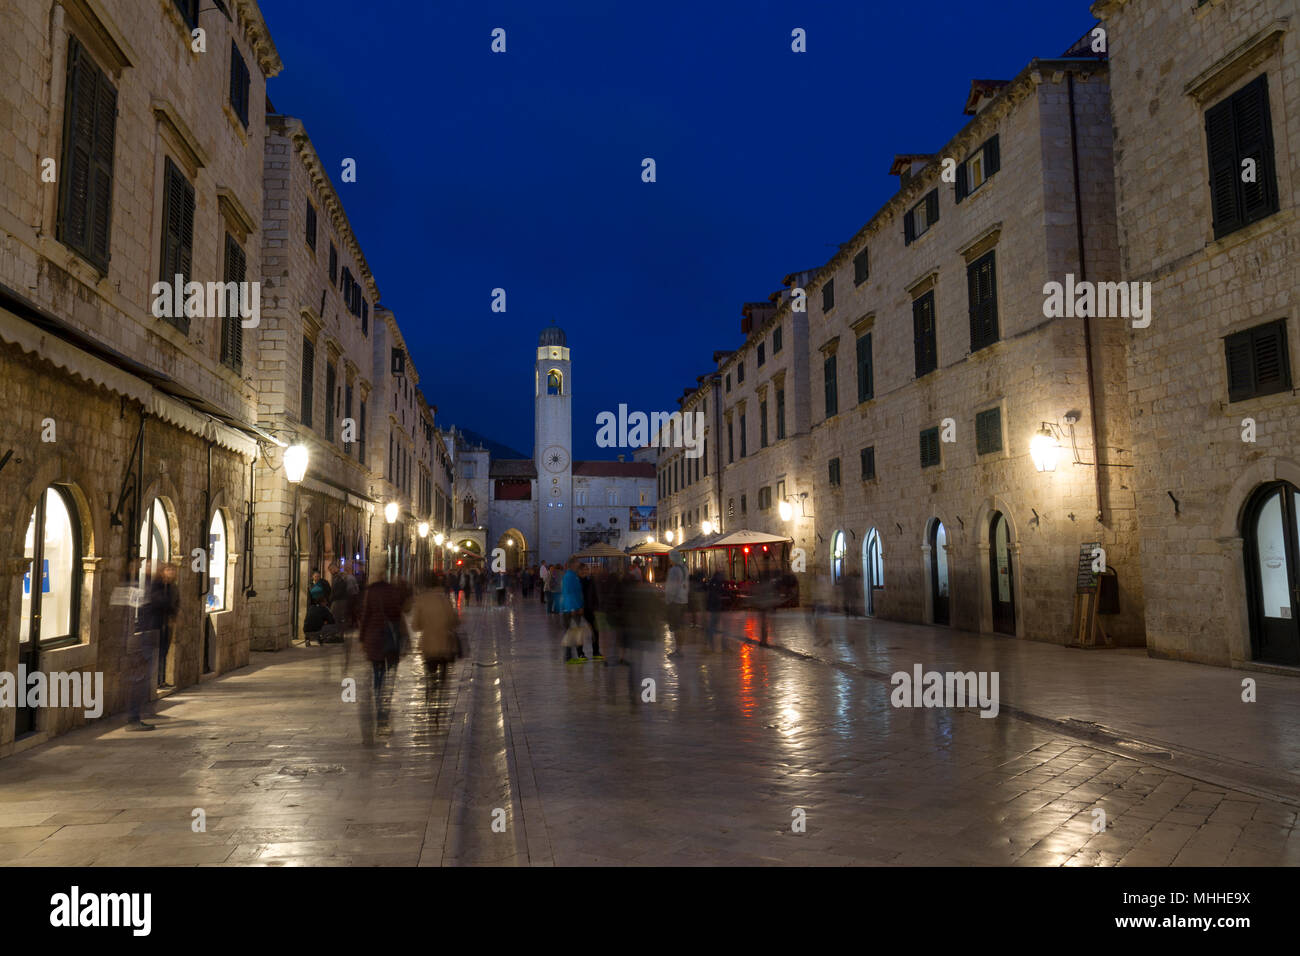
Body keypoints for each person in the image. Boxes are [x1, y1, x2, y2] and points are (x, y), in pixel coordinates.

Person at [357, 557, 409, 736]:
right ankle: (383, 714)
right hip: (390, 641)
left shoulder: (370, 592)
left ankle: (380, 711)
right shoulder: (392, 591)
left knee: (377, 678)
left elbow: (365, 617)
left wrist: (362, 639)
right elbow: (399, 613)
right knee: (389, 679)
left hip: (374, 640)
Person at [412, 572, 460, 682]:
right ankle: (442, 682)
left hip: (428, 644)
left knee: (430, 671)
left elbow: (415, 626)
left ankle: (431, 684)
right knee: (443, 668)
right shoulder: (444, 600)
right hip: (444, 643)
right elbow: (453, 621)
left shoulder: (422, 601)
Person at [149, 562, 180, 688]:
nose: (171, 572)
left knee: (164, 652)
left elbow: (176, 602)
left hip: (167, 624)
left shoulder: (172, 587)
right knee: (158, 652)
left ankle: (161, 680)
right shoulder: (157, 585)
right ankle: (155, 681)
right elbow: (158, 601)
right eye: (168, 570)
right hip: (156, 624)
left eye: (173, 570)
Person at [559, 559, 586, 663]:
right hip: (571, 609)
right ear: (572, 565)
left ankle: (570, 656)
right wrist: (574, 608)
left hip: (572, 607)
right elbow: (569, 593)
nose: (578, 566)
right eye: (577, 564)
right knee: (570, 633)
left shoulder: (572, 576)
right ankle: (568, 657)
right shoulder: (570, 577)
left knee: (572, 633)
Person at [665, 555, 689, 658]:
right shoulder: (685, 569)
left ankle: (678, 650)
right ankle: (680, 649)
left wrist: (668, 600)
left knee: (676, 627)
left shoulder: (674, 570)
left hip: (675, 601)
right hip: (684, 600)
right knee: (681, 626)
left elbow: (672, 586)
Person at [579, 564, 603, 661]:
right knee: (580, 632)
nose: (586, 571)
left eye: (587, 569)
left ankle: (596, 652)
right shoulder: (577, 581)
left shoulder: (589, 580)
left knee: (595, 631)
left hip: (590, 609)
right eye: (584, 569)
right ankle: (580, 653)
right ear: (579, 571)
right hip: (581, 609)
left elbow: (594, 594)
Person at [705, 570, 727, 653]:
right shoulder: (716, 583)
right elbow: (715, 595)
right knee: (713, 625)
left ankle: (714, 644)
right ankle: (712, 644)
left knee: (714, 625)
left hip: (715, 607)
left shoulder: (714, 583)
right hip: (715, 607)